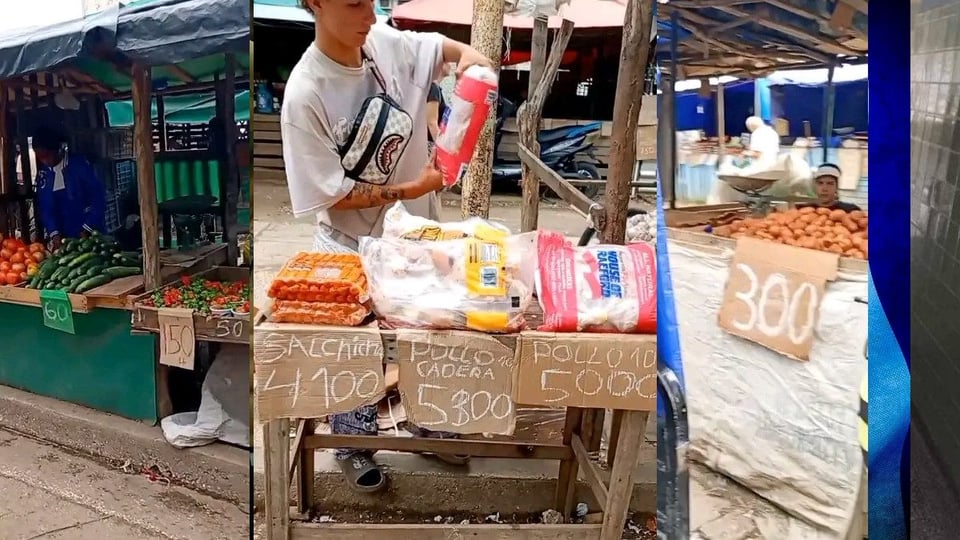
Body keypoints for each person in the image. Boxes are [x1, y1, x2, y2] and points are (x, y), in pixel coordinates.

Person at [282, 0, 492, 493]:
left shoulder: (383, 45)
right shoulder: (306, 92)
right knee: (356, 347)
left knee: (428, 331)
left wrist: (471, 60)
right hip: (351, 243)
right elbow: (330, 194)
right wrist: (413, 187)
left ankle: (427, 423)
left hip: (416, 236)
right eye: (354, 3)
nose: (369, 16)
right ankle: (352, 443)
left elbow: (441, 49)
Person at [32, 127, 106, 250]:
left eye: (46, 156)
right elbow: (46, 208)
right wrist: (54, 233)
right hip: (64, 237)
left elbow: (98, 198)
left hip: (91, 233)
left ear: (57, 150)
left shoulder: (80, 166)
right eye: (40, 157)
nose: (44, 161)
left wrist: (87, 227)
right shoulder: (44, 175)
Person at [796, 163, 862, 212]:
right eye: (820, 183)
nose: (824, 189)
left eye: (830, 183)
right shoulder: (801, 210)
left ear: (836, 187)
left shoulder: (851, 210)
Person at [426, 64, 451, 154]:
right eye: (447, 62)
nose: (450, 65)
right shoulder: (433, 88)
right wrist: (442, 149)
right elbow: (432, 123)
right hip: (429, 144)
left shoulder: (433, 87)